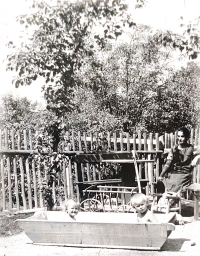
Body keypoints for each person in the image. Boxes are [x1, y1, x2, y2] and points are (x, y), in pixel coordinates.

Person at [158, 127, 194, 193]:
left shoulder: (190, 148)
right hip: (173, 173)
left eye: (182, 136)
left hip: (184, 174)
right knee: (160, 183)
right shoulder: (174, 148)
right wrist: (161, 175)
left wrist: (197, 158)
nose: (179, 139)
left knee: (175, 186)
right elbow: (168, 163)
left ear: (187, 137)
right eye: (178, 136)